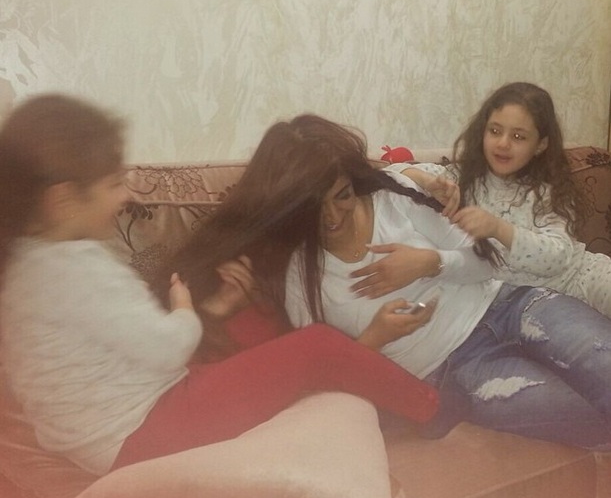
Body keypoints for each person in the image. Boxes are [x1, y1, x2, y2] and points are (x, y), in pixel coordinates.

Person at [0, 94, 441, 477]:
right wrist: (185, 310)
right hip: (143, 430)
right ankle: (433, 408)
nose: (125, 196)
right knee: (318, 346)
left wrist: (215, 309)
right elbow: (167, 350)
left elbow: (115, 349)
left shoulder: (25, 268)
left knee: (253, 344)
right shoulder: (81, 269)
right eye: (114, 183)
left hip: (100, 438)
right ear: (63, 199)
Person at [171, 112, 611, 451]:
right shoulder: (294, 274)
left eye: (342, 194)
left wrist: (429, 263)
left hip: (509, 305)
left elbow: (486, 264)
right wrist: (376, 335)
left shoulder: (392, 194)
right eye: (313, 207)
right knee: (586, 418)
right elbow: (323, 371)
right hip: (454, 367)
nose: (334, 216)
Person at [391, 81, 611, 319]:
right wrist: (426, 181)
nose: (503, 143)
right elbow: (388, 173)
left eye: (518, 136)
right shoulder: (460, 179)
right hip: (529, 305)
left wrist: (498, 229)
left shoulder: (549, 190)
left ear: (540, 145)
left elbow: (558, 258)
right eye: (495, 131)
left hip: (581, 277)